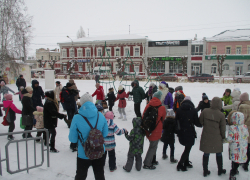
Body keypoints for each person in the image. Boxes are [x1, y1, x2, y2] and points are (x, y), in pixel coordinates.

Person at [69, 93, 108, 180]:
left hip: (83, 153)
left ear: (81, 103)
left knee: (81, 176)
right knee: (100, 175)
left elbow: (72, 139)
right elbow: (105, 134)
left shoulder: (76, 117)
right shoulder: (101, 116)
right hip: (99, 151)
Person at [199, 97, 226, 177]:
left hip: (206, 135)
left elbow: (201, 121)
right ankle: (220, 170)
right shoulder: (221, 115)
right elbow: (223, 129)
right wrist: (223, 137)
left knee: (206, 153)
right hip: (217, 137)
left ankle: (205, 171)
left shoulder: (205, 111)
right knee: (219, 153)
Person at [176, 96, 202, 172]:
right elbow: (196, 122)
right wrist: (202, 123)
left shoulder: (179, 110)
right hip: (190, 131)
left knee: (187, 147)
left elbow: (176, 121)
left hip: (181, 131)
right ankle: (180, 164)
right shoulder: (193, 110)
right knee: (188, 148)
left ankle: (186, 162)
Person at [143, 91, 166, 170]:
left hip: (148, 129)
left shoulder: (148, 105)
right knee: (153, 147)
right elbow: (163, 118)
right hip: (156, 129)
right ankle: (147, 163)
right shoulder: (162, 107)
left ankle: (152, 160)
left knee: (153, 145)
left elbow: (143, 115)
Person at [226, 112, 249, 180]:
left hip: (235, 147)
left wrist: (224, 140)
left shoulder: (232, 128)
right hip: (243, 146)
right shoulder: (245, 127)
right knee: (239, 159)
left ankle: (233, 172)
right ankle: (235, 169)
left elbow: (230, 139)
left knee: (234, 160)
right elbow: (247, 135)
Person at [238, 92, 250, 172]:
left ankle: (239, 161)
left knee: (242, 146)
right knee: (249, 147)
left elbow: (239, 119)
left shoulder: (242, 106)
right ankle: (246, 164)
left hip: (244, 130)